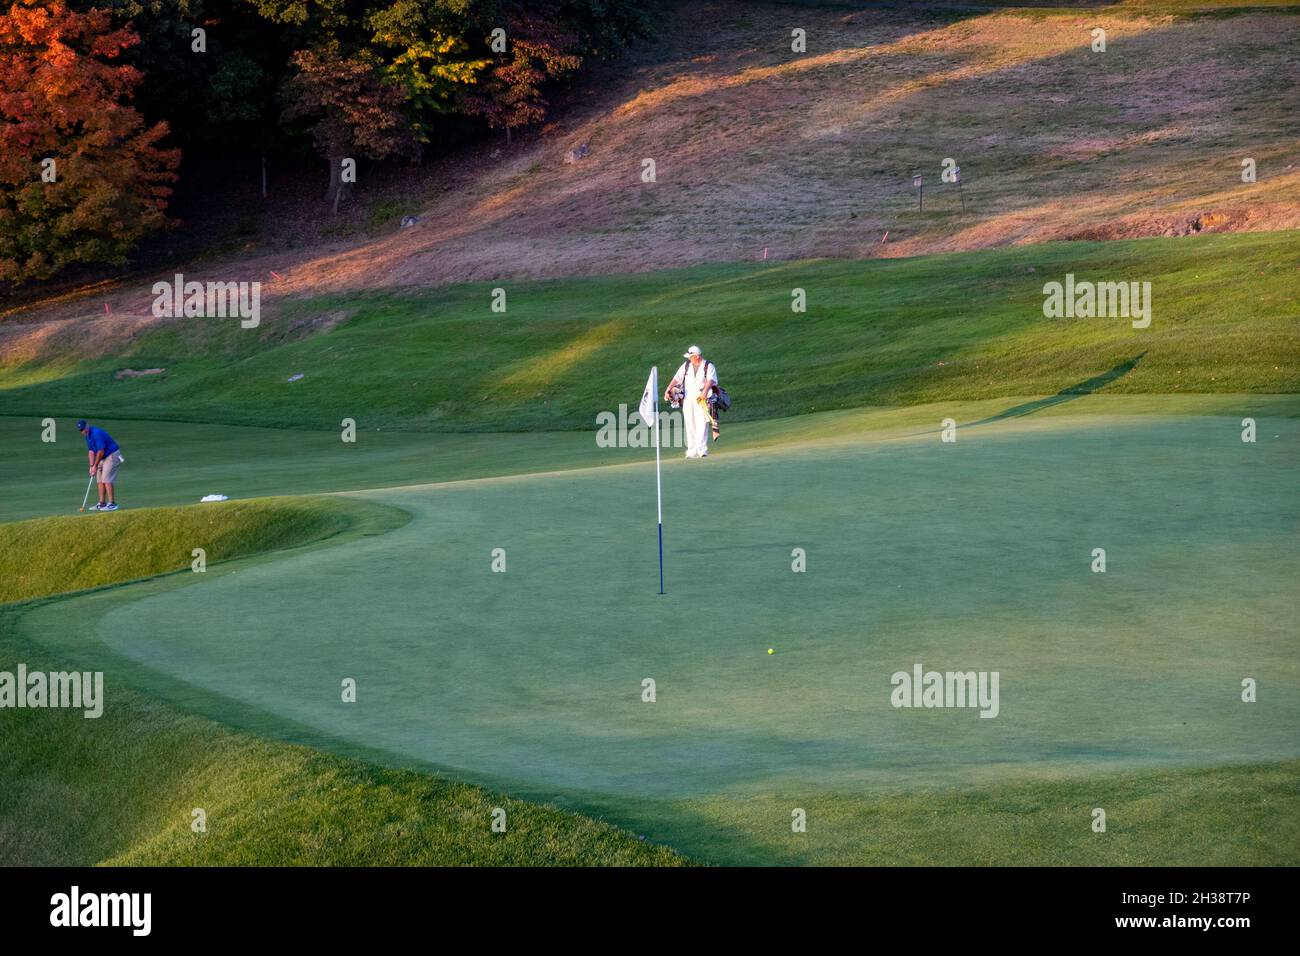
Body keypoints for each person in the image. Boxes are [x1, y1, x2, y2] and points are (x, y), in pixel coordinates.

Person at [664, 345, 718, 459]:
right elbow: (677, 378)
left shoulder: (708, 365)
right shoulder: (686, 365)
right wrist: (668, 389)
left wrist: (704, 392)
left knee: (702, 423)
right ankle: (691, 451)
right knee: (690, 423)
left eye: (691, 356)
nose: (689, 358)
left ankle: (702, 450)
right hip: (688, 399)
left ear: (697, 356)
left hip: (702, 399)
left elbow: (711, 380)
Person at [77, 419, 123, 511]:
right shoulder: (87, 435)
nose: (83, 431)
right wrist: (91, 466)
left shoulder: (96, 433)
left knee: (106, 478)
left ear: (87, 425)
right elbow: (91, 451)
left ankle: (112, 504)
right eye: (81, 430)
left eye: (84, 429)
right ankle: (102, 503)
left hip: (112, 455)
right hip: (103, 457)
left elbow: (100, 451)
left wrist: (95, 465)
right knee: (99, 480)